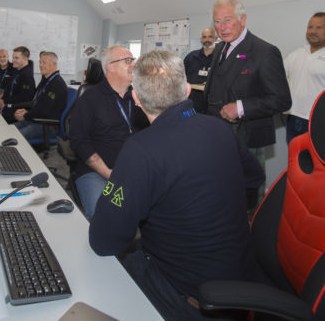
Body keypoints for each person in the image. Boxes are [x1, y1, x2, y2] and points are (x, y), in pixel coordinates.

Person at [89, 50, 265, 320]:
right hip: (241, 280)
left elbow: (103, 240)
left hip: (188, 298)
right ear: (186, 90)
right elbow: (254, 178)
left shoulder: (140, 150)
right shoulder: (219, 129)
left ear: (135, 97)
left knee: (100, 279)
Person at [203, 0, 291, 207]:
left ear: (243, 19)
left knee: (247, 198)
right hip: (216, 134)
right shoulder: (220, 49)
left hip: (245, 136)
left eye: (227, 20)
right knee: (222, 193)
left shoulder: (264, 51)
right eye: (217, 21)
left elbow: (282, 100)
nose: (221, 28)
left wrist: (241, 107)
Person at [69, 45, 149, 220]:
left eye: (133, 60)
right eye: (127, 61)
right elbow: (78, 140)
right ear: (110, 66)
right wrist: (108, 173)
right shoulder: (90, 98)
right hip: (98, 172)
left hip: (133, 170)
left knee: (158, 211)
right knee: (103, 214)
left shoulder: (140, 98)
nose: (133, 65)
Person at [284, 12, 325, 144]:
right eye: (310, 27)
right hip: (293, 119)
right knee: (295, 162)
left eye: (319, 27)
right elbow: (276, 78)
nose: (313, 31)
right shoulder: (296, 54)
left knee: (318, 163)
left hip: (319, 122)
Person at [14, 52, 67, 140]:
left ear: (54, 65)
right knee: (9, 130)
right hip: (37, 120)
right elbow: (39, 103)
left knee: (14, 137)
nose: (41, 65)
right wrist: (25, 111)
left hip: (48, 126)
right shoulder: (46, 80)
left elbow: (45, 110)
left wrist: (26, 115)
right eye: (40, 62)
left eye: (44, 63)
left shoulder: (57, 84)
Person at [0, 46, 36, 123]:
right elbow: (9, 87)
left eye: (16, 58)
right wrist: (1, 98)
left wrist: (5, 101)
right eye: (13, 57)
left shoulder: (27, 76)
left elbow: (25, 98)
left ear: (25, 59)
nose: (13, 60)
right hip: (8, 106)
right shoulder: (17, 71)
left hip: (16, 111)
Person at [183, 27, 216, 111]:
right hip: (192, 103)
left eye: (210, 37)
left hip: (212, 104)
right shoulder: (191, 57)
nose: (207, 40)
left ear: (215, 38)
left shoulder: (221, 58)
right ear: (201, 39)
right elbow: (181, 77)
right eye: (204, 37)